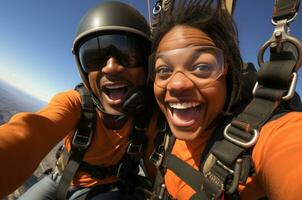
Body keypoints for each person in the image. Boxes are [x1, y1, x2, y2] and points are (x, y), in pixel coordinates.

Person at [0, 1, 157, 199]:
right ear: (84, 71)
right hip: (61, 177)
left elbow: (163, 177)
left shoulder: (147, 119)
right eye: (95, 56)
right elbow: (28, 133)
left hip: (107, 188)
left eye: (129, 54)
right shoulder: (76, 103)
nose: (111, 67)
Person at [148, 0, 302, 199]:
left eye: (201, 67)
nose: (176, 84)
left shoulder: (266, 137)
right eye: (163, 70)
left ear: (226, 74)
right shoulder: (161, 131)